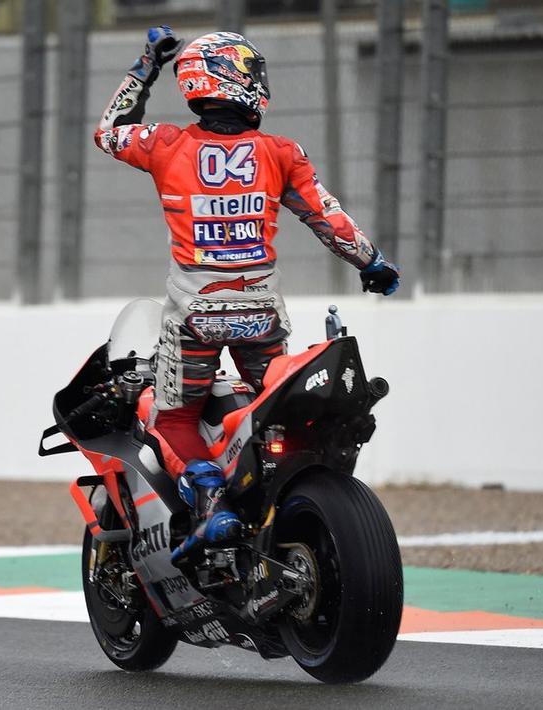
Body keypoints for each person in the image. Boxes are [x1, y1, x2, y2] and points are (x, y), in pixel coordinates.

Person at [94, 27, 399, 565]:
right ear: (238, 81)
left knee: (174, 421)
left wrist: (146, 64)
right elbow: (329, 220)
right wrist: (371, 264)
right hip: (262, 317)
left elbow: (109, 131)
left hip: (194, 318)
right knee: (275, 410)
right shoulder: (282, 153)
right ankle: (286, 494)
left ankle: (212, 496)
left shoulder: (164, 145)